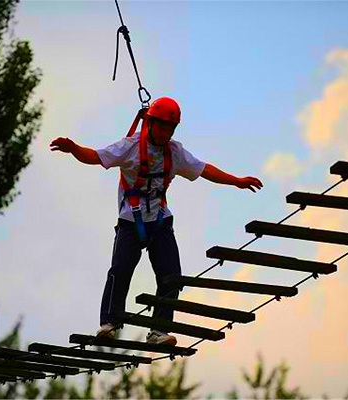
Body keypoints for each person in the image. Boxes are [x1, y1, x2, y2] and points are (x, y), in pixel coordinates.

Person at [50, 97, 263, 346]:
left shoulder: (175, 152)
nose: (165, 132)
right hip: (131, 221)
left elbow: (204, 169)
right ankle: (109, 323)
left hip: (160, 221)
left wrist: (236, 180)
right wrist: (74, 148)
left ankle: (158, 330)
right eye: (161, 126)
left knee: (171, 275)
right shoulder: (129, 147)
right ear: (150, 123)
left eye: (170, 128)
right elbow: (96, 157)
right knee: (120, 271)